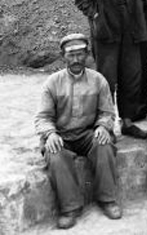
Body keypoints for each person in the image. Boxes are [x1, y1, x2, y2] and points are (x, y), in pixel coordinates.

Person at [35, 34, 121, 229]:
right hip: (61, 135)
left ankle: (107, 199)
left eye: (80, 54)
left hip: (88, 134)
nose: (76, 60)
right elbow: (42, 117)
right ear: (63, 56)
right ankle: (70, 207)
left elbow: (107, 111)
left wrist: (102, 126)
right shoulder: (52, 82)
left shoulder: (98, 80)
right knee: (55, 154)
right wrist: (50, 134)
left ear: (87, 54)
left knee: (104, 145)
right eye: (71, 55)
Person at [75, 0, 147, 139]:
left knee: (131, 77)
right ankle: (106, 125)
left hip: (130, 29)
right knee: (107, 80)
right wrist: (96, 15)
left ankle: (127, 122)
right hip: (106, 31)